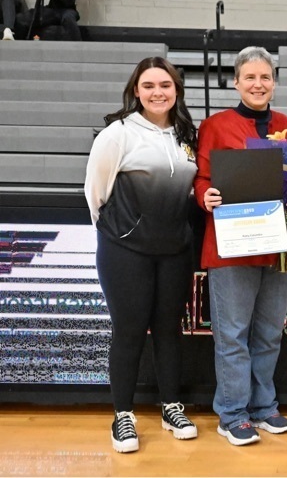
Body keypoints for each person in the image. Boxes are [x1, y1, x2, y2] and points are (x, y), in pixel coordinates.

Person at [84, 57, 200, 453]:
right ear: (136, 90)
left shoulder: (187, 135)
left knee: (170, 330)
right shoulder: (117, 134)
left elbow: (188, 191)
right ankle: (123, 416)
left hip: (175, 250)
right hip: (125, 252)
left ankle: (171, 406)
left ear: (176, 90)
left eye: (165, 85)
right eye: (148, 85)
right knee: (129, 331)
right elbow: (95, 195)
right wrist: (124, 231)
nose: (157, 92)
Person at [193, 46, 287, 446]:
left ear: (274, 82)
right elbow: (202, 179)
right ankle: (233, 414)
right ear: (236, 81)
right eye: (250, 77)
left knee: (269, 333)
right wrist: (204, 196)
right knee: (233, 334)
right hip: (233, 246)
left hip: (279, 246)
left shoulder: (286, 124)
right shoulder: (216, 125)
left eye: (265, 77)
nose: (258, 84)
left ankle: (264, 407)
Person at [15, 0, 81, 41]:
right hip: (52, 10)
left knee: (68, 18)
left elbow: (68, 2)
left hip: (68, 10)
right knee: (23, 17)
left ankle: (78, 46)